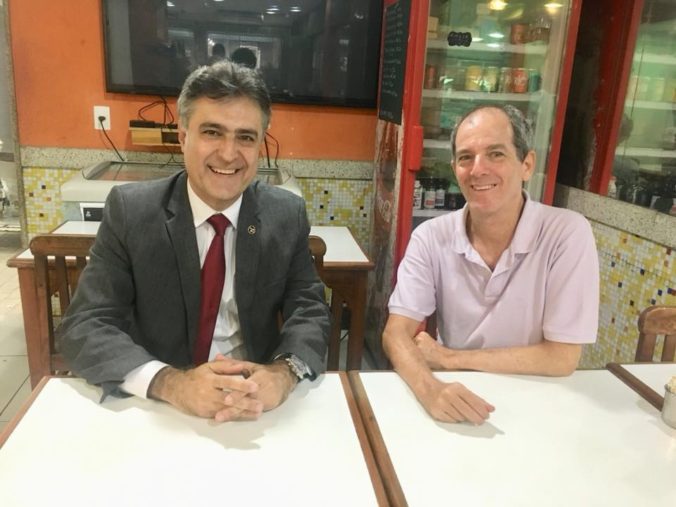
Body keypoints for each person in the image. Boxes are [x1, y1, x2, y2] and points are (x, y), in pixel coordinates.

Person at [59, 60, 330, 422]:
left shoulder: (286, 214)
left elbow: (310, 310)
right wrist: (173, 384)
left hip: (252, 403)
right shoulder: (132, 211)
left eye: (245, 137)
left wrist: (283, 373)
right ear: (183, 137)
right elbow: (85, 324)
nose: (229, 154)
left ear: (260, 145)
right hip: (161, 405)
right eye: (212, 132)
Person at [383, 104, 599, 425]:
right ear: (455, 169)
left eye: (495, 154)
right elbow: (395, 333)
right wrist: (430, 390)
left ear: (527, 165)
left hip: (539, 400)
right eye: (465, 157)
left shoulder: (566, 233)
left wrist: (449, 358)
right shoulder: (431, 236)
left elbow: (562, 357)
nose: (478, 169)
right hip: (459, 393)